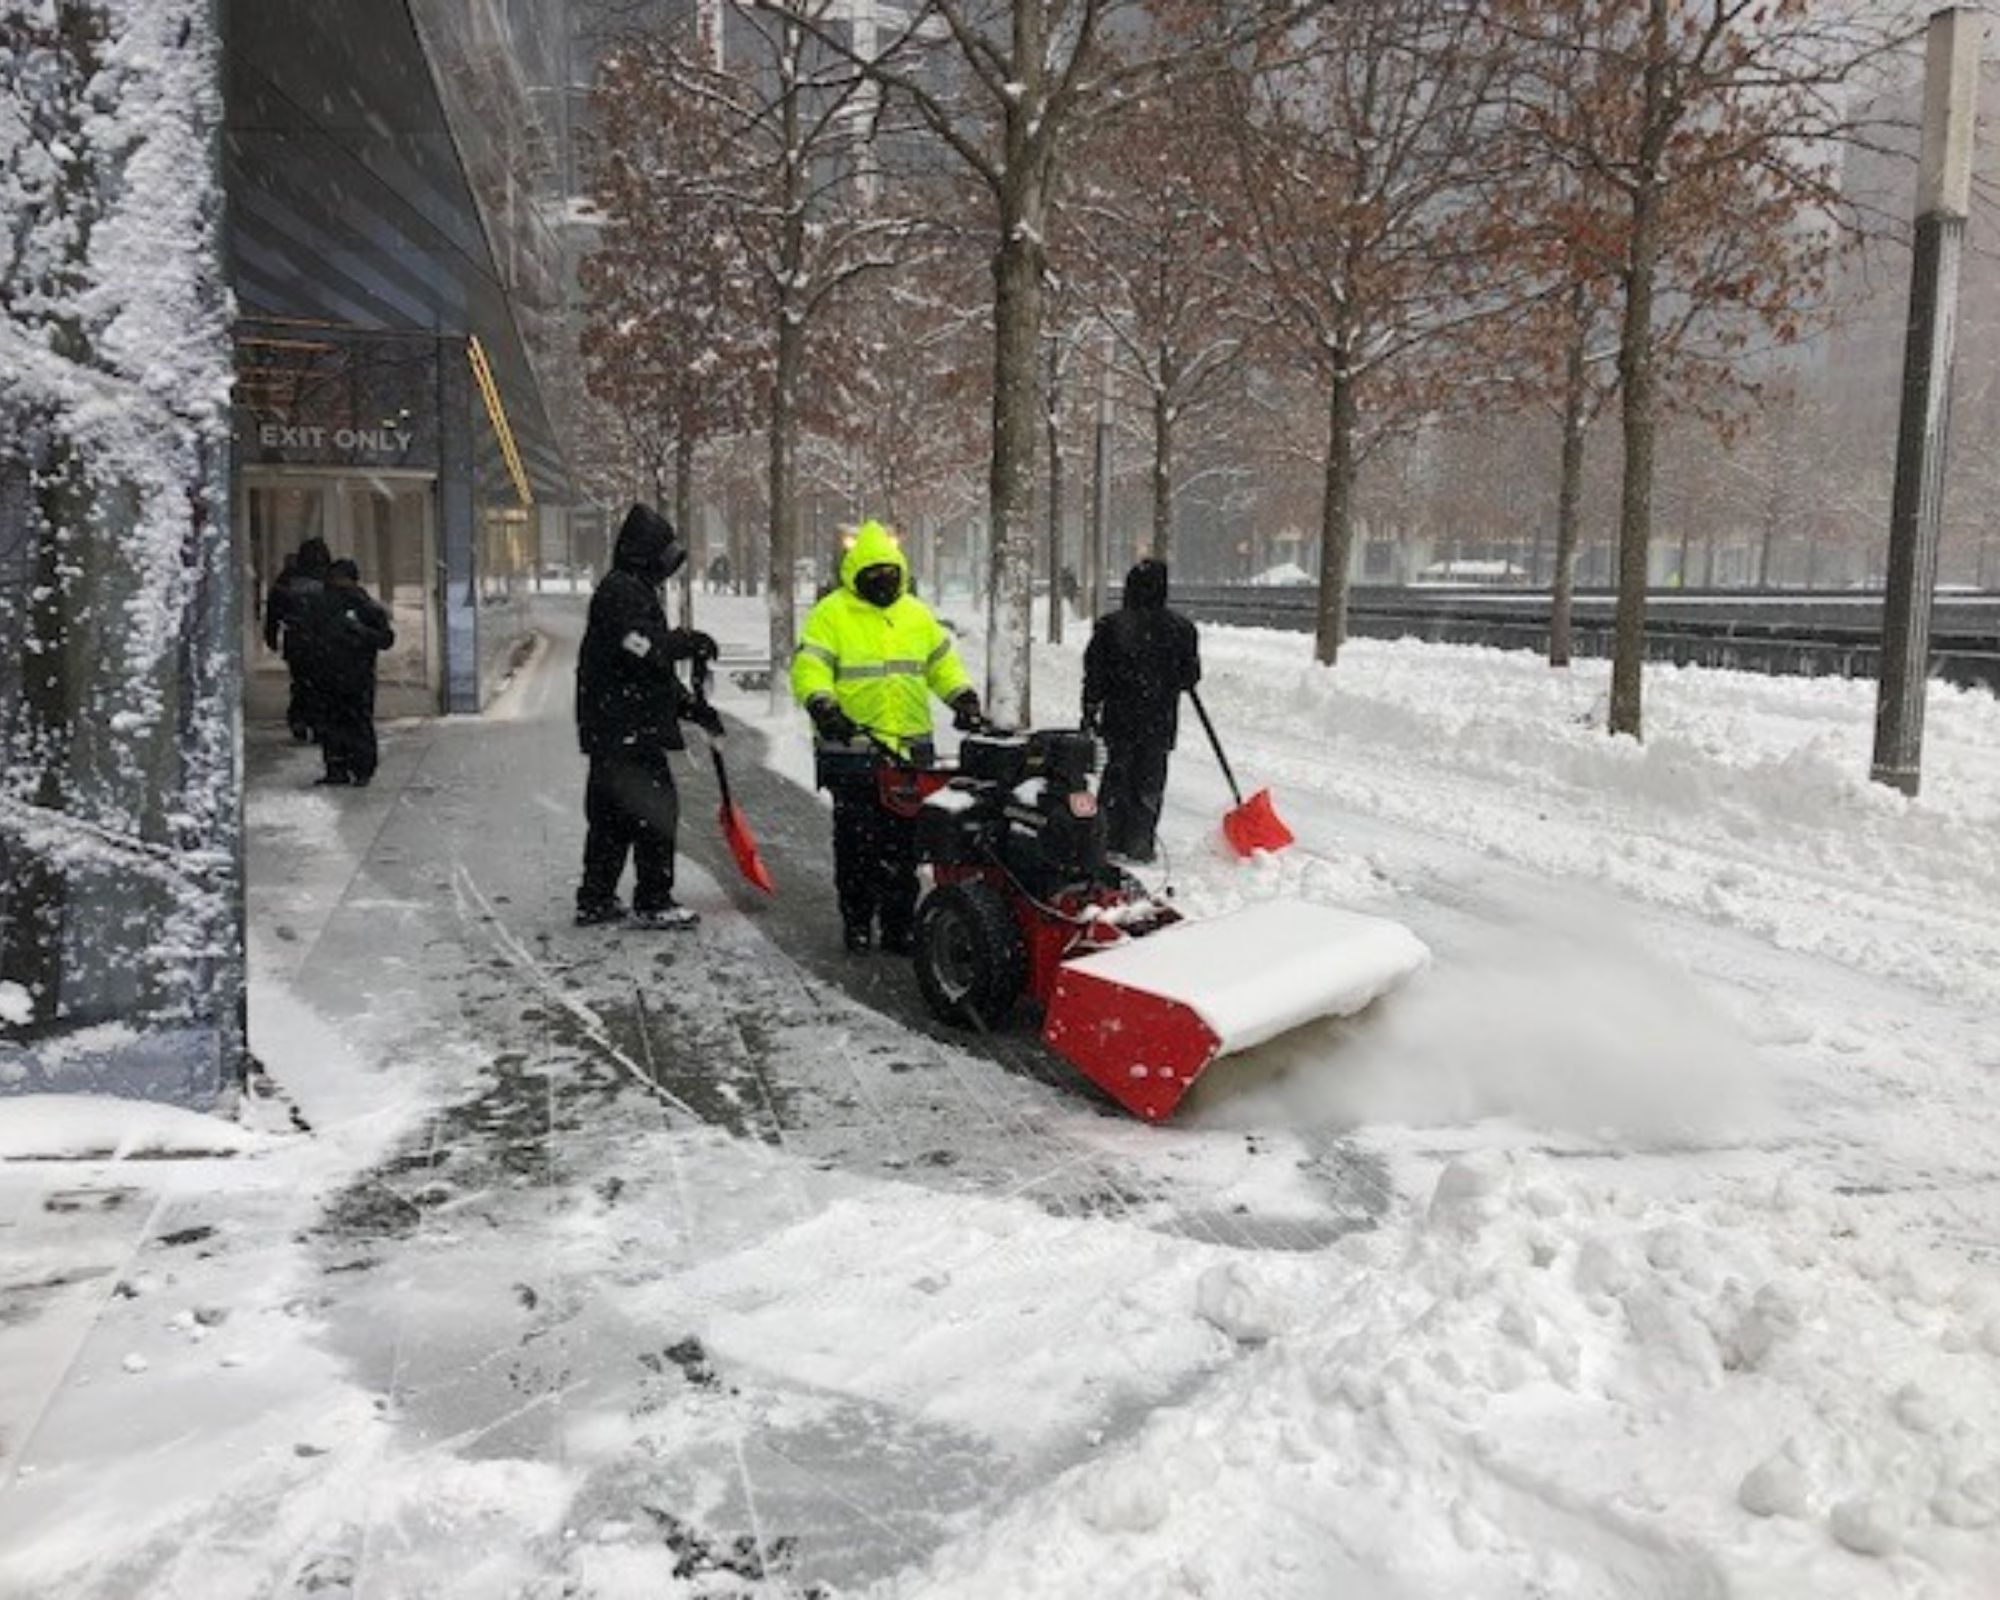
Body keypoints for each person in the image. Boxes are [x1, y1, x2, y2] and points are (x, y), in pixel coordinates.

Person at [792, 518, 981, 954]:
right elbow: (810, 666)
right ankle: (857, 920)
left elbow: (941, 665)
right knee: (857, 844)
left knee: (904, 849)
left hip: (909, 755)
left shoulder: (916, 614)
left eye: (889, 575)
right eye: (872, 576)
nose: (882, 583)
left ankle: (899, 925)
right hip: (852, 752)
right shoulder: (831, 614)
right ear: (855, 575)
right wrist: (823, 705)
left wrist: (963, 698)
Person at [574, 503, 722, 930]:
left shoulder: (629, 588)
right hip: (624, 727)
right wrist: (684, 643)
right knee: (655, 812)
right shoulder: (622, 591)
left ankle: (596, 897)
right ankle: (653, 899)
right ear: (645, 553)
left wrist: (691, 707)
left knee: (611, 817)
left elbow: (646, 667)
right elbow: (640, 647)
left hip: (616, 725)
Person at [1081, 557, 1200, 864]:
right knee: (1149, 781)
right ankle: (1139, 841)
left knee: (1116, 777)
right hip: (1159, 720)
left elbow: (1095, 672)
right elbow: (1190, 678)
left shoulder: (1111, 626)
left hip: (1120, 718)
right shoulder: (1182, 629)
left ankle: (1108, 838)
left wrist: (1090, 707)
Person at [301, 558, 395, 787]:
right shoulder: (325, 604)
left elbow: (384, 639)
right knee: (344, 723)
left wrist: (358, 632)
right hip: (339, 675)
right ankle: (345, 767)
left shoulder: (362, 606)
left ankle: (348, 767)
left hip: (348, 675)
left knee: (349, 723)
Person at [266, 538, 332, 741]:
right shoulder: (327, 577)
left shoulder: (288, 579)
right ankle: (317, 722)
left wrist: (271, 633)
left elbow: (274, 609)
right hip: (320, 640)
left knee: (302, 683)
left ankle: (301, 720)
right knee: (320, 684)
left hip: (298, 639)